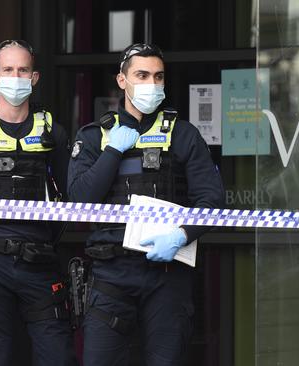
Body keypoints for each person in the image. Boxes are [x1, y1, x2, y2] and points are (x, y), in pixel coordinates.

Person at [68, 43, 225, 365]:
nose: (151, 84)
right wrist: (112, 152)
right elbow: (80, 201)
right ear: (122, 80)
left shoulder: (183, 135)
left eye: (158, 77)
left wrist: (181, 235)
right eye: (142, 75)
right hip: (111, 272)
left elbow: (212, 200)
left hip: (167, 274)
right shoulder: (96, 136)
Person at [0, 40, 75, 365]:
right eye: (8, 70)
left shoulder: (53, 133)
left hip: (39, 261)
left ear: (35, 77)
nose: (16, 76)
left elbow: (72, 193)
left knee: (57, 354)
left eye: (22, 70)